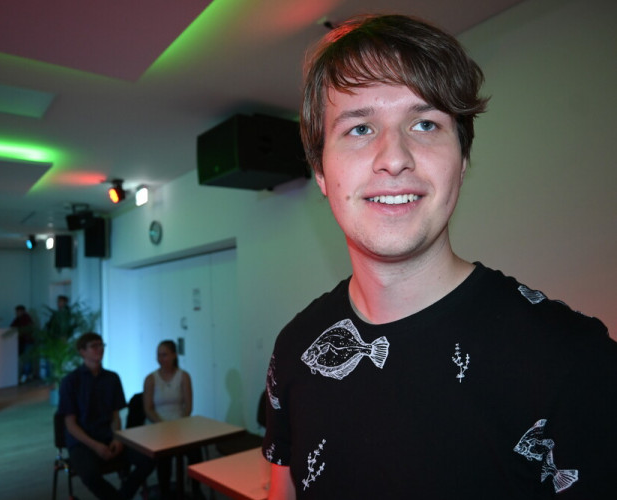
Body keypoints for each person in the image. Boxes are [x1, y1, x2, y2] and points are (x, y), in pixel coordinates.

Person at [262, 14, 617, 499]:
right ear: (320, 171)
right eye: (360, 128)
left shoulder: (575, 360)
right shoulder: (295, 350)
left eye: (425, 123)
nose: (394, 157)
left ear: (463, 160)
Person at [58, 332, 154, 499]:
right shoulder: (71, 381)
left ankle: (122, 496)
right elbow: (70, 425)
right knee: (90, 475)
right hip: (82, 442)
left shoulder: (112, 378)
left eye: (101, 345)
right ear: (82, 351)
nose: (100, 349)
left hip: (108, 436)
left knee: (149, 459)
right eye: (94, 346)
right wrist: (95, 446)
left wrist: (117, 438)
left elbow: (116, 416)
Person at [143, 339, 203, 499]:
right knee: (164, 458)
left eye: (164, 355)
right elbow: (148, 409)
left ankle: (196, 489)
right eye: (159, 355)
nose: (161, 359)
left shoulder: (184, 376)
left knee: (195, 453)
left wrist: (179, 425)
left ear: (174, 355)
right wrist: (163, 426)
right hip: (158, 425)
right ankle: (165, 491)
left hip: (180, 425)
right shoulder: (151, 379)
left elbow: (188, 406)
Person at [10, 305, 34, 383]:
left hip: (28, 342)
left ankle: (26, 375)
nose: (17, 313)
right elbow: (12, 327)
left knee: (27, 360)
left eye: (18, 311)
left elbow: (27, 330)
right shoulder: (17, 320)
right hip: (22, 342)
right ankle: (26, 375)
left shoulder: (26, 319)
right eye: (16, 312)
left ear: (23, 311)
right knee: (24, 360)